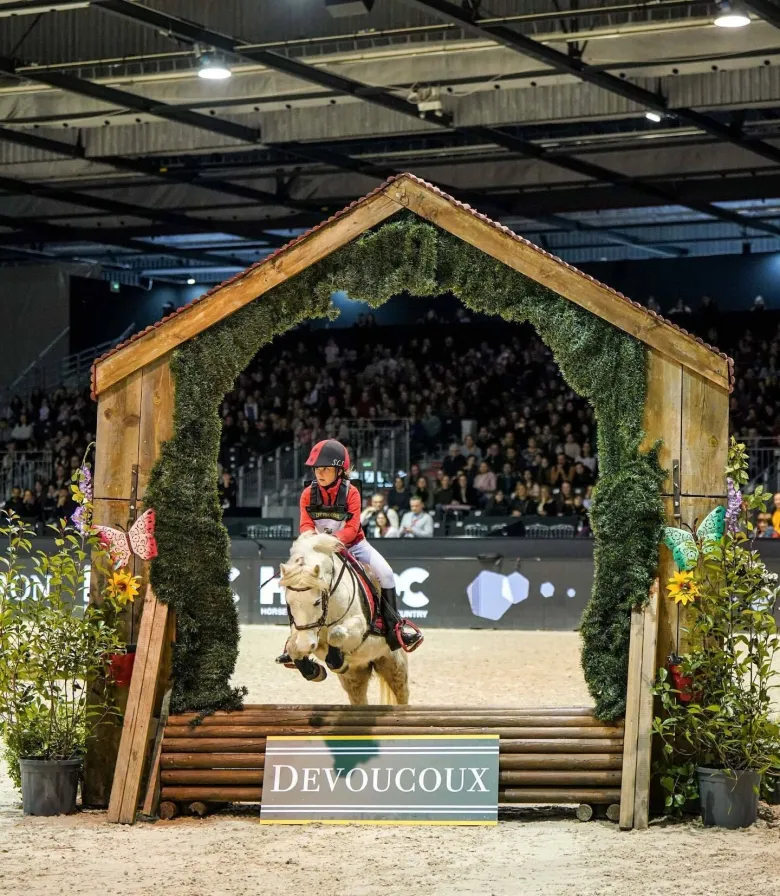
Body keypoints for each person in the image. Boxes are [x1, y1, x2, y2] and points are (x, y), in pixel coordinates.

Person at [277, 440, 422, 674]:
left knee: (386, 573)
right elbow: (305, 523)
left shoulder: (351, 492)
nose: (320, 473)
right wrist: (313, 543)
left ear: (339, 470)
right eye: (317, 469)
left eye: (325, 468)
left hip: (353, 545)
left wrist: (334, 543)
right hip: (317, 548)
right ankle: (292, 639)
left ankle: (394, 629)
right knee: (296, 584)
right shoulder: (307, 494)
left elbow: (353, 527)